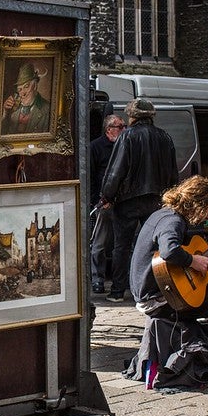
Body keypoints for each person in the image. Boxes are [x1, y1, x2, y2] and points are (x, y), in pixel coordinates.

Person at [128, 175, 208, 383]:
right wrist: (193, 261)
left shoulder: (162, 214)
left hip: (156, 292)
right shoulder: (173, 220)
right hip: (161, 299)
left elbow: (176, 258)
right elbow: (170, 251)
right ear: (199, 204)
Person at [100, 99, 178, 302]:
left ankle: (118, 291)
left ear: (132, 116)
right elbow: (172, 173)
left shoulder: (127, 136)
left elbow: (116, 171)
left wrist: (107, 195)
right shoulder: (165, 137)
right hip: (157, 201)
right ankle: (157, 288)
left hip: (128, 202)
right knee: (154, 246)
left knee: (121, 247)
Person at [89, 114, 126, 294]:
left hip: (122, 201)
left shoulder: (125, 145)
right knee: (99, 243)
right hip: (103, 201)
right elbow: (90, 176)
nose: (124, 129)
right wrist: (96, 201)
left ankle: (122, 280)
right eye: (120, 126)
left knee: (122, 242)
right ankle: (98, 279)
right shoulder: (96, 147)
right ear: (109, 129)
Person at [1, 62, 51, 134]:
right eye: (19, 89)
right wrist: (5, 112)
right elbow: (2, 135)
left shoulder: (47, 110)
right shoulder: (14, 111)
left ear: (35, 86)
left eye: (26, 87)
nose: (22, 93)